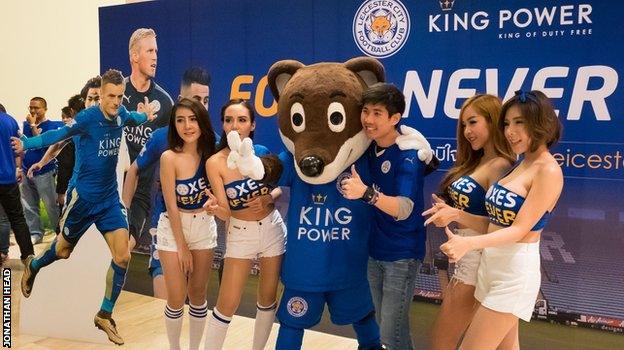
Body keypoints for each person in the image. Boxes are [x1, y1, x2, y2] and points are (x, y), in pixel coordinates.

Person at [14, 69, 155, 345]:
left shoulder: (122, 113)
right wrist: (27, 143)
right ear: (100, 96)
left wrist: (145, 115)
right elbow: (57, 136)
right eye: (110, 96)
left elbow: (133, 118)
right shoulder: (87, 119)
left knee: (123, 255)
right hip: (83, 200)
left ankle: (104, 314)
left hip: (109, 201)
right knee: (63, 251)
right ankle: (35, 265)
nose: (115, 102)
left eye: (119, 96)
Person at [434, 90, 563, 349]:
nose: (510, 131)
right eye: (506, 123)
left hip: (513, 275)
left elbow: (519, 230)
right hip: (490, 269)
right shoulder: (520, 164)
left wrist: (468, 244)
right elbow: (493, 223)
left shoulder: (548, 170)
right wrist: (457, 215)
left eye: (519, 122)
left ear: (541, 123)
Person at [341, 83, 432, 350]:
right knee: (395, 331)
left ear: (395, 118)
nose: (368, 119)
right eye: (366, 111)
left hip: (401, 255)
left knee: (389, 338)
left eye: (377, 113)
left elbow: (404, 208)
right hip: (375, 252)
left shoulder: (408, 155)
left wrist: (366, 193)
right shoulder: (369, 147)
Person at [422, 94, 514, 349]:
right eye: (464, 125)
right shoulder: (479, 161)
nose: (467, 131)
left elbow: (502, 228)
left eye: (473, 122)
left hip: (479, 260)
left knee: (441, 339)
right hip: (468, 256)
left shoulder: (501, 166)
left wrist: (456, 215)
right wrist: (448, 209)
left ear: (493, 121)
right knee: (506, 344)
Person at [122, 66, 213, 299]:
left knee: (196, 305)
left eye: (206, 99)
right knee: (166, 306)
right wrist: (123, 215)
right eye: (196, 99)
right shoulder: (161, 137)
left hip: (201, 232)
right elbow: (133, 171)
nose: (201, 105)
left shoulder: (215, 142)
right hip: (166, 229)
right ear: (181, 100)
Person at [203, 99, 285, 350]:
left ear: (252, 125)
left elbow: (280, 186)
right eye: (228, 120)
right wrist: (216, 210)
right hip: (240, 234)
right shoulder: (215, 162)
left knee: (268, 298)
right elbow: (227, 212)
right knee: (227, 303)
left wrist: (269, 197)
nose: (234, 126)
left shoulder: (260, 152)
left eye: (241, 120)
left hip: (272, 229)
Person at [157, 98, 217, 350]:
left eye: (193, 119)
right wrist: (182, 247)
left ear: (202, 122)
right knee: (176, 296)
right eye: (180, 120)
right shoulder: (168, 157)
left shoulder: (212, 156)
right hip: (173, 227)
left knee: (198, 294)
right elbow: (171, 205)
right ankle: (174, 347)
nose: (187, 126)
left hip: (204, 226)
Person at [123, 28, 174, 254]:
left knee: (123, 253)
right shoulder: (117, 93)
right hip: (110, 188)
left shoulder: (165, 101)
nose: (155, 56)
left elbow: (173, 148)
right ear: (135, 56)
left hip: (142, 193)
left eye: (157, 51)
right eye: (150, 50)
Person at [20, 97, 63, 244]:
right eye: (30, 107)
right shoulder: (26, 125)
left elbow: (44, 145)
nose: (33, 111)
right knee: (29, 205)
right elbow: (25, 144)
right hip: (27, 171)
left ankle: (60, 233)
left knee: (51, 205)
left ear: (45, 109)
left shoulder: (51, 126)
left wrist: (33, 126)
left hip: (45, 171)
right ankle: (36, 233)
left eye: (36, 108)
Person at [0, 109, 34, 263]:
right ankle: (28, 257)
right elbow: (18, 149)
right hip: (8, 178)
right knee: (18, 219)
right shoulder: (10, 121)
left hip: (8, 178)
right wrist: (18, 169)